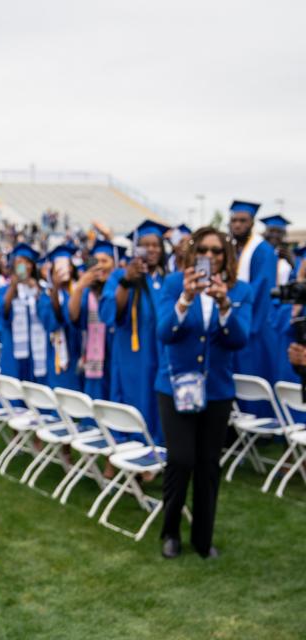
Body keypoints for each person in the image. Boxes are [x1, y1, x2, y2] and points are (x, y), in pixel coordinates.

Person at [155, 227, 251, 559]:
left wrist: (225, 306)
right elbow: (164, 331)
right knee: (180, 460)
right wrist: (185, 299)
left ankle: (202, 538)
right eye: (203, 250)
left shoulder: (241, 290)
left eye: (217, 251)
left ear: (227, 256)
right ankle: (170, 532)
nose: (210, 257)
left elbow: (240, 339)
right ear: (192, 253)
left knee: (209, 465)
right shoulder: (173, 284)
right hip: (175, 387)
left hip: (217, 391)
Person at [100, 220, 168, 445]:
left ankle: (157, 447)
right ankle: (127, 447)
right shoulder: (120, 276)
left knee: (158, 402)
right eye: (145, 245)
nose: (150, 250)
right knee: (132, 398)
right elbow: (110, 313)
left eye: (155, 245)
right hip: (133, 356)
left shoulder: (168, 279)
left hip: (161, 356)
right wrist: (127, 281)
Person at [229, 201, 277, 416]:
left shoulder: (263, 250)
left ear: (252, 223)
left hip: (253, 323)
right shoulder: (231, 249)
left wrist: (237, 310)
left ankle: (261, 423)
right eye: (234, 221)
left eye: (242, 221)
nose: (237, 225)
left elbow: (261, 288)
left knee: (254, 370)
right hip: (234, 319)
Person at [68, 240, 119, 400]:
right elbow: (74, 316)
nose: (100, 266)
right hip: (95, 357)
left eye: (105, 261)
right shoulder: (88, 293)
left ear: (114, 264)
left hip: (116, 353)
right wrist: (80, 286)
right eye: (96, 262)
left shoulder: (121, 289)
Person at [0, 243, 48, 383]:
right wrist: (13, 287)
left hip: (36, 349)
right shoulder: (3, 290)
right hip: (13, 349)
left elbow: (48, 316)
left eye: (27, 262)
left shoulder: (42, 289)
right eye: (19, 262)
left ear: (32, 266)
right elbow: (2, 314)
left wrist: (36, 289)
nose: (23, 266)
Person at [39, 244, 82, 391]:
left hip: (79, 352)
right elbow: (52, 324)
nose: (64, 271)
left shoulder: (78, 291)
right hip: (58, 355)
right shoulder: (46, 296)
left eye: (66, 266)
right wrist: (56, 290)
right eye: (58, 267)